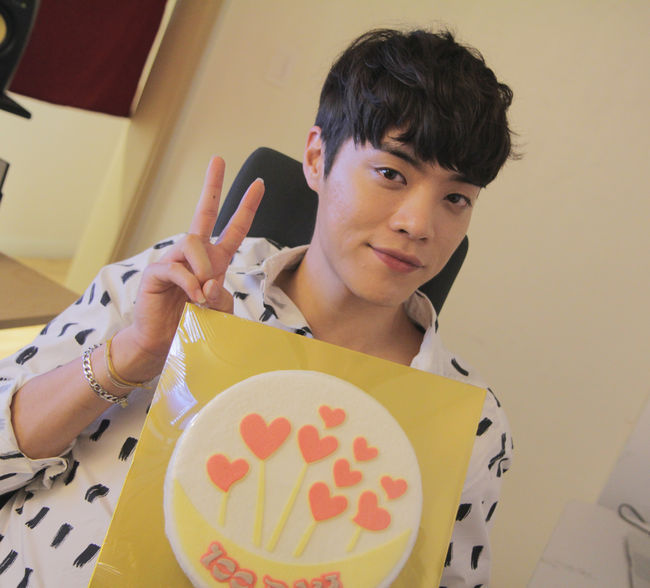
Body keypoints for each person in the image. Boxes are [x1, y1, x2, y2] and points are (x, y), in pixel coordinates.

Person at [0, 28, 515, 586]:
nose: (419, 224)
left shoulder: (466, 422)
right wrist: (133, 354)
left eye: (455, 198)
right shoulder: (175, 282)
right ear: (316, 157)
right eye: (391, 174)